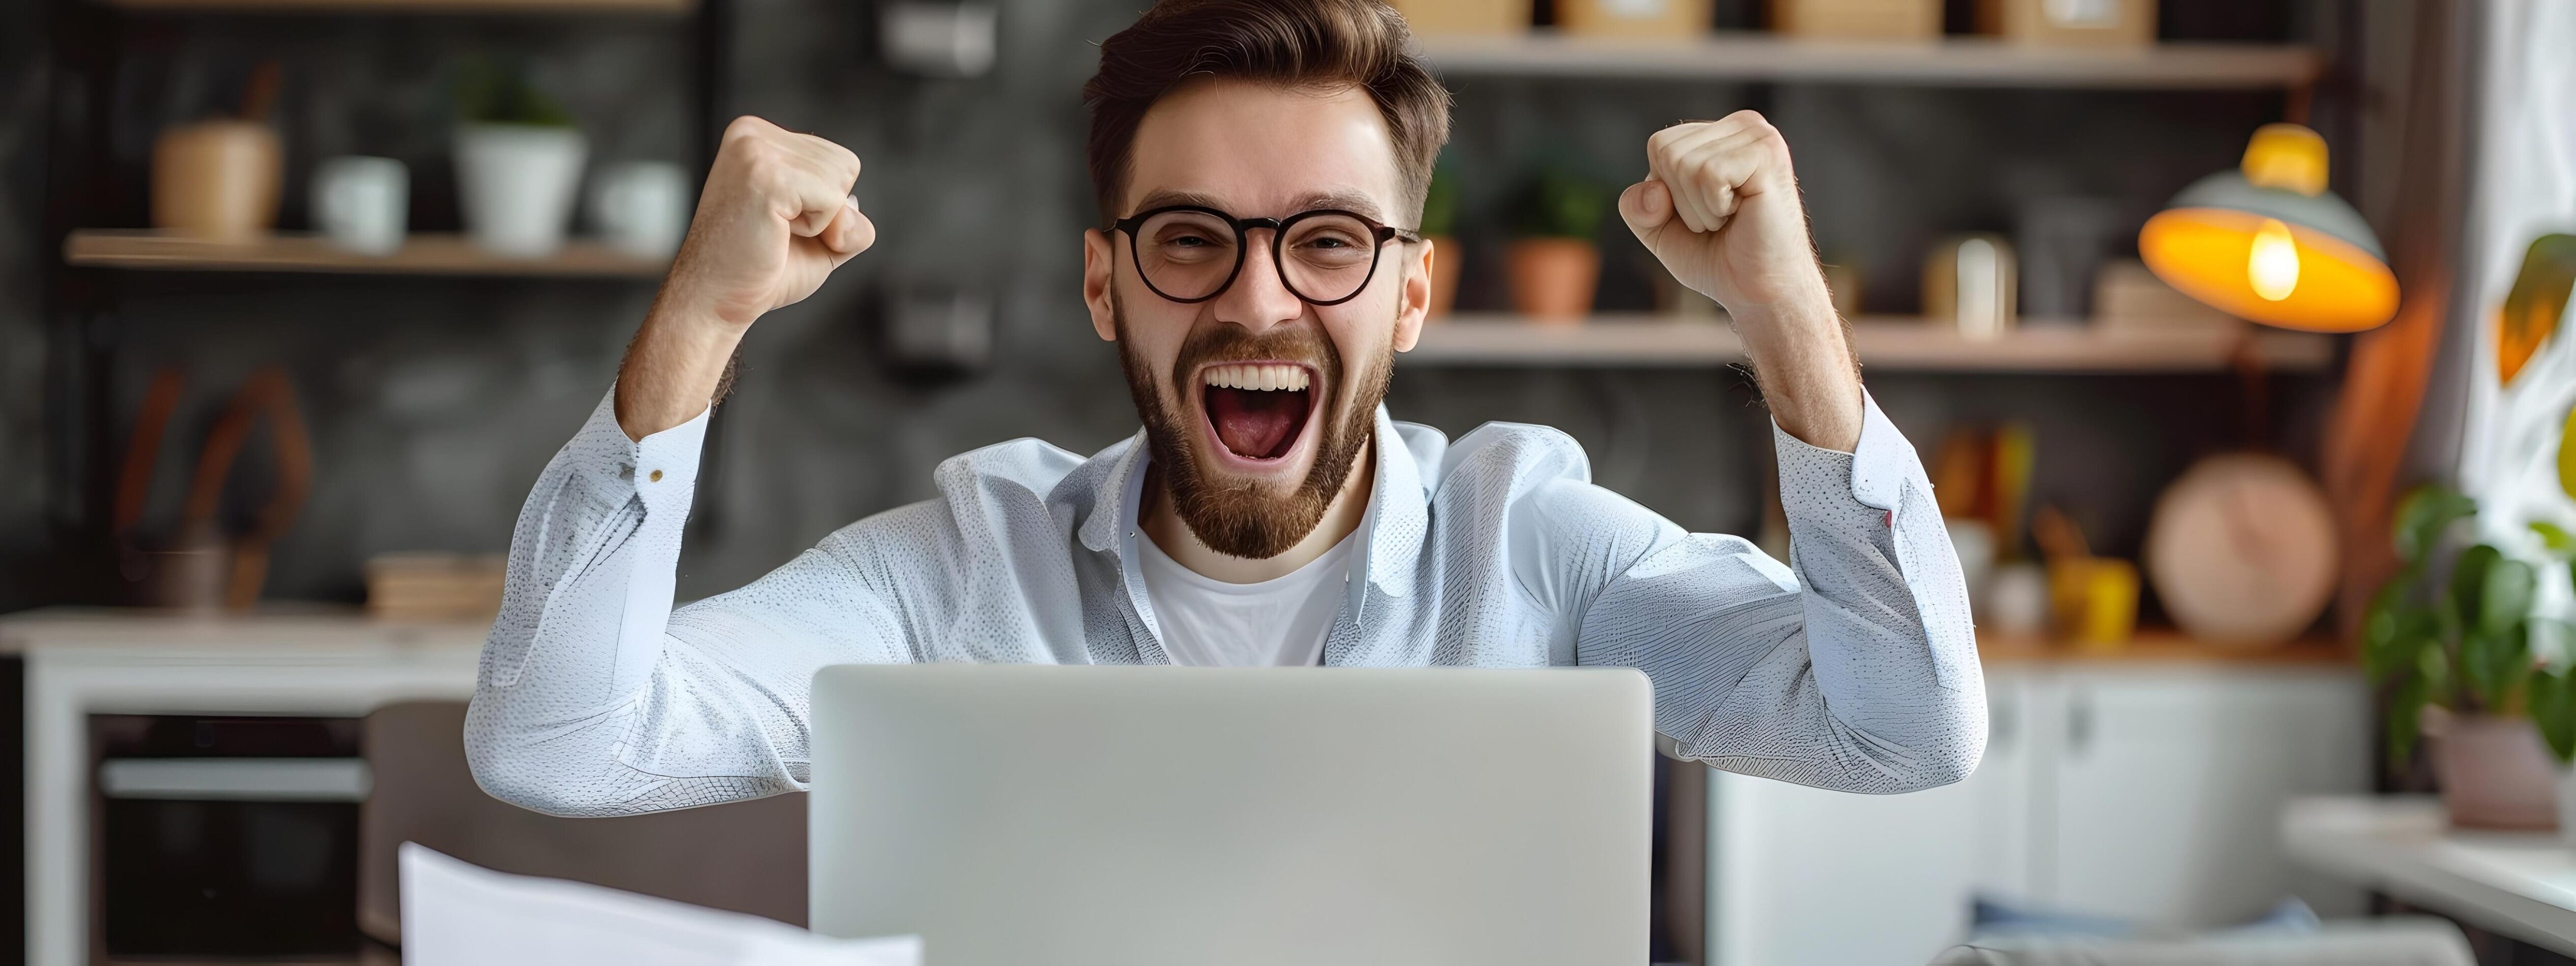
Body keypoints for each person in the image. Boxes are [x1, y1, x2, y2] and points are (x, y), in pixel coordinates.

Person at [465, 0, 1983, 816]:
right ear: (1105, 285)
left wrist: (1788, 318)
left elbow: (1906, 733)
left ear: (1411, 292)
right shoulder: (955, 575)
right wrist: (702, 319)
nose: (1259, 303)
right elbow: (559, 745)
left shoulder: (1538, 545)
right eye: (1192, 238)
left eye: (1327, 239)